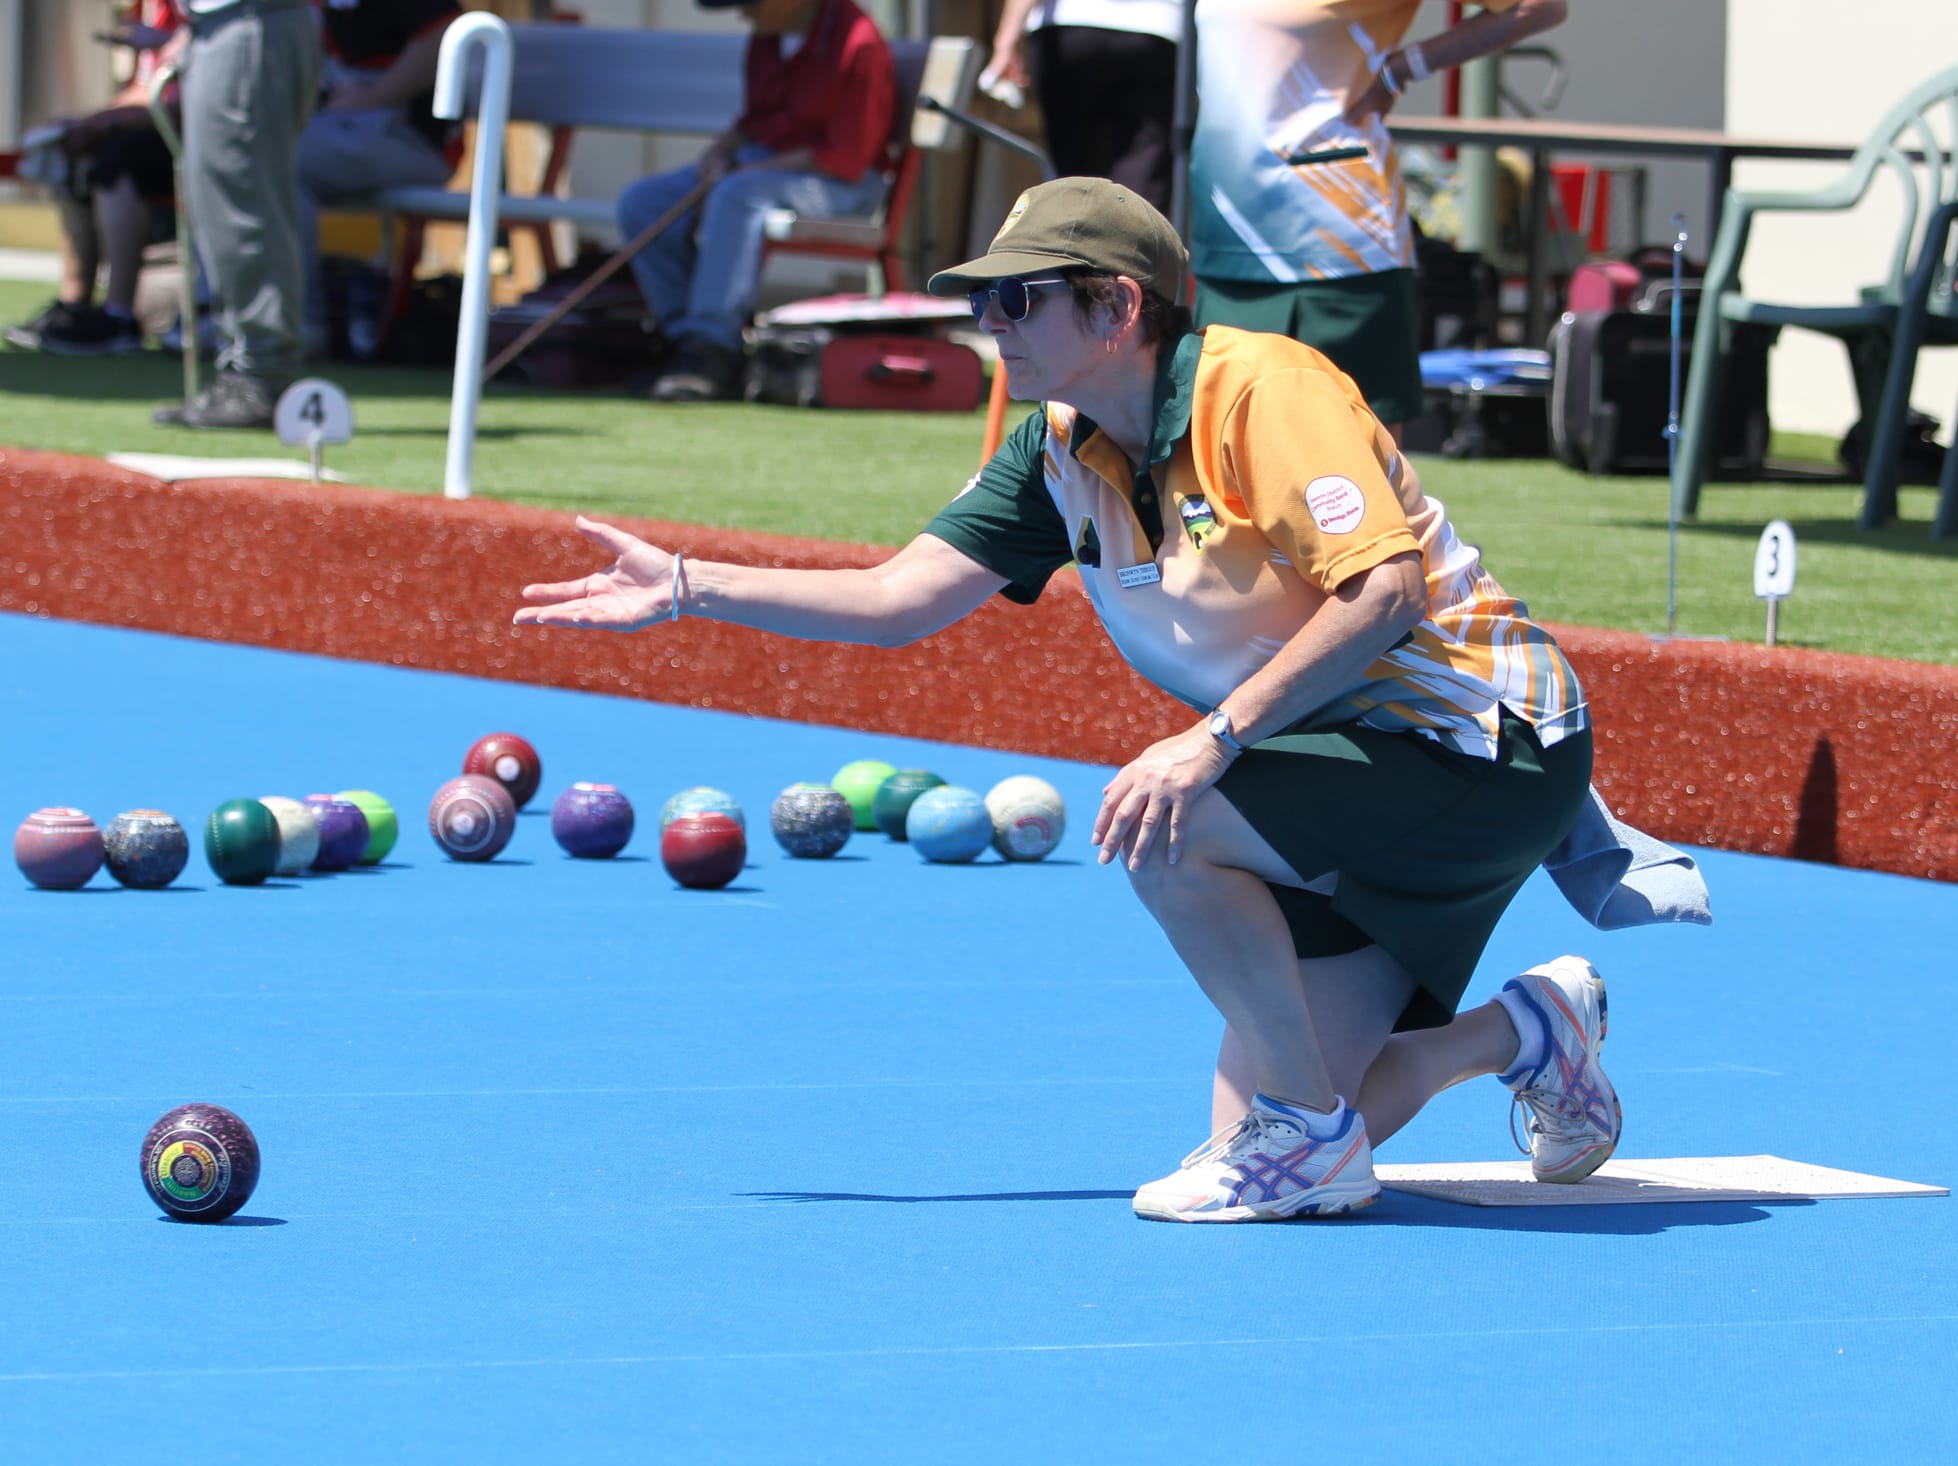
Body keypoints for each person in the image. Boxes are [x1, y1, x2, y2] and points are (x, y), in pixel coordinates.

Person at [516, 178, 1629, 1223]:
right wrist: (684, 586)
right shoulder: (1056, 446)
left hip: (1484, 746)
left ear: (1117, 307)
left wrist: (1211, 738)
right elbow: (897, 597)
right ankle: (1533, 1029)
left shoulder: (1264, 393)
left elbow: (1385, 593)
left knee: (1170, 826)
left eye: (1016, 297)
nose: (988, 322)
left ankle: (1307, 1133)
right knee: (1275, 1123)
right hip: (1342, 762)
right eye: (981, 300)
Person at [1188, 0, 1568, 438]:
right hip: (1225, 239)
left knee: (1358, 456)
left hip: (1331, 244)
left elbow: (1538, 7)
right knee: (1226, 449)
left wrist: (1405, 68)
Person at [615, 0, 897, 403]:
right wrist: (722, 151)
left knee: (738, 195)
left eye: (748, 3)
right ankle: (682, 343)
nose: (741, 13)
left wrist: (750, 170)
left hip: (839, 182)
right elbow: (755, 121)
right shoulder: (769, 36)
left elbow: (845, 156)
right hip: (764, 166)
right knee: (643, 202)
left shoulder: (859, 43)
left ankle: (715, 349)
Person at [153, 0, 321, 430]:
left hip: (250, 22)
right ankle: (247, 368)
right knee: (221, 205)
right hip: (230, 23)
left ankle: (260, 374)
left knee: (242, 208)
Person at [4, 3, 187, 357]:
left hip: (199, 138)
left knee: (118, 161)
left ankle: (119, 316)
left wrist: (106, 126)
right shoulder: (156, 8)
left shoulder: (202, 10)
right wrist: (87, 123)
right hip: (161, 123)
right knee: (73, 151)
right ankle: (76, 305)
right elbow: (147, 90)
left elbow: (189, 102)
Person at [296, 0, 463, 361]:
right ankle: (243, 316)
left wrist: (375, 96)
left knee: (280, 161)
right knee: (260, 158)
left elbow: (441, 36)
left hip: (414, 143)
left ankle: (297, 324)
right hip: (338, 136)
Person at [983, 0, 1180, 214]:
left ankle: (1073, 238)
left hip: (1070, 24)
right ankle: (1134, 241)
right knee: (1143, 176)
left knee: (1073, 177)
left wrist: (1007, 40)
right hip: (1156, 27)